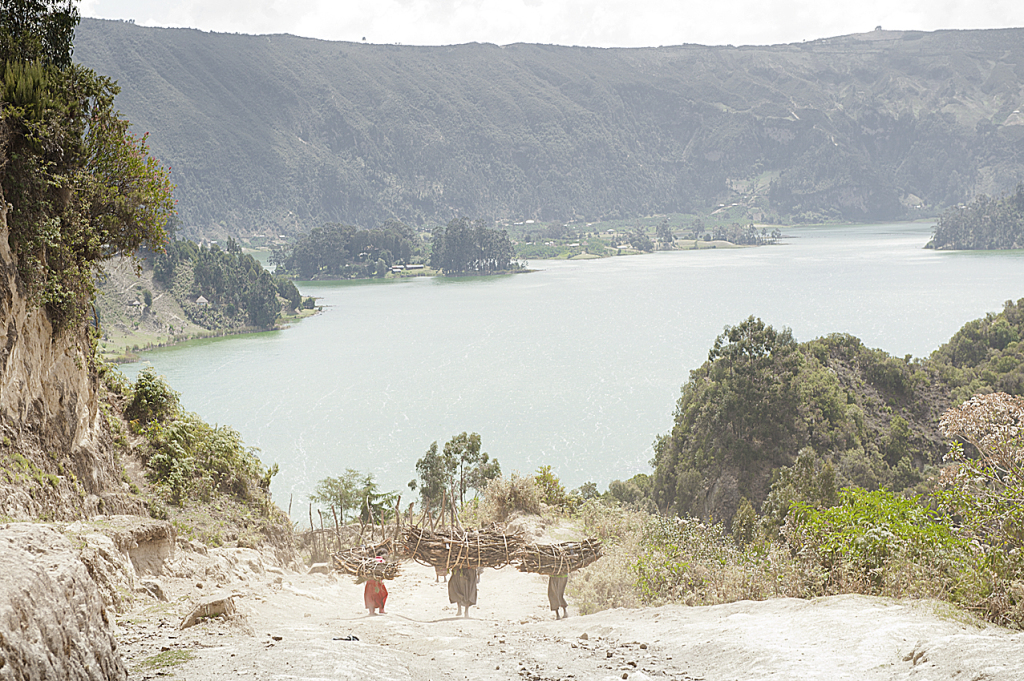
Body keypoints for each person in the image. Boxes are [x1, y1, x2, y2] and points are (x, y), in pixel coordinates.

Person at [364, 549, 389, 615]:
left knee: (370, 596)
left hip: (369, 582)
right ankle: (381, 609)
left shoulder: (370, 561)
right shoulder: (382, 561)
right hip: (378, 582)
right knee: (383, 594)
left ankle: (371, 611)